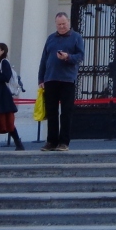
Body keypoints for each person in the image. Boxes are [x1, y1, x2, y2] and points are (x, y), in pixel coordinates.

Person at [37, 12, 84, 152]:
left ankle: (64, 142)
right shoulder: (51, 38)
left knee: (66, 112)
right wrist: (41, 78)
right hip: (50, 79)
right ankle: (51, 141)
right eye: (59, 24)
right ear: (55, 24)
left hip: (67, 80)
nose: (62, 27)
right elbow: (44, 59)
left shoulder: (76, 37)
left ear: (68, 22)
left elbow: (80, 56)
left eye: (64, 24)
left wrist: (67, 57)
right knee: (51, 112)